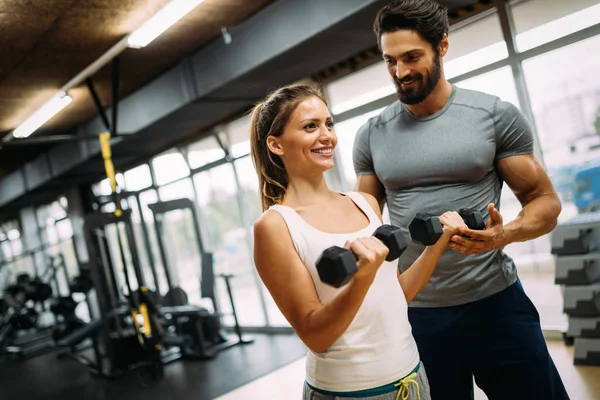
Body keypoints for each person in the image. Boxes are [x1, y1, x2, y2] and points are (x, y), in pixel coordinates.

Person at [353, 1, 569, 399]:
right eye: (390, 61)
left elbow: (545, 201)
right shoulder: (372, 135)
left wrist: (505, 235)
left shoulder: (492, 116)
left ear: (442, 47)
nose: (400, 72)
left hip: (495, 304)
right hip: (417, 316)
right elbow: (363, 223)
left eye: (412, 57)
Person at [250, 83, 468, 399]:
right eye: (310, 126)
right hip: (351, 392)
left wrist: (438, 244)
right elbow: (316, 335)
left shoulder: (364, 202)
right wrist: (361, 279)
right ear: (276, 144)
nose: (326, 135)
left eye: (328, 123)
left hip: (412, 378)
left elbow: (398, 293)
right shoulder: (275, 226)